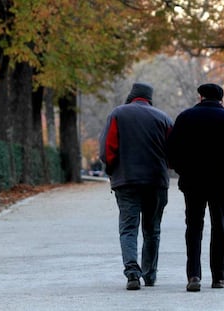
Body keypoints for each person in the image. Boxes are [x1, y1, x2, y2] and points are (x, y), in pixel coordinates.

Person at [167, 83, 224, 292]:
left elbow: (171, 151)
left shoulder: (185, 117)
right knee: (219, 227)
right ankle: (218, 277)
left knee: (193, 228)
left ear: (201, 97)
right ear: (221, 99)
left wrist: (182, 170)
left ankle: (193, 275)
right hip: (220, 181)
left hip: (192, 181)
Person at [99, 82, 173, 290]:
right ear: (150, 98)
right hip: (156, 182)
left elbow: (107, 149)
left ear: (131, 96)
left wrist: (113, 169)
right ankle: (150, 275)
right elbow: (173, 152)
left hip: (126, 181)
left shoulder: (118, 114)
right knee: (152, 229)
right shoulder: (163, 118)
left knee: (129, 228)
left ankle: (132, 273)